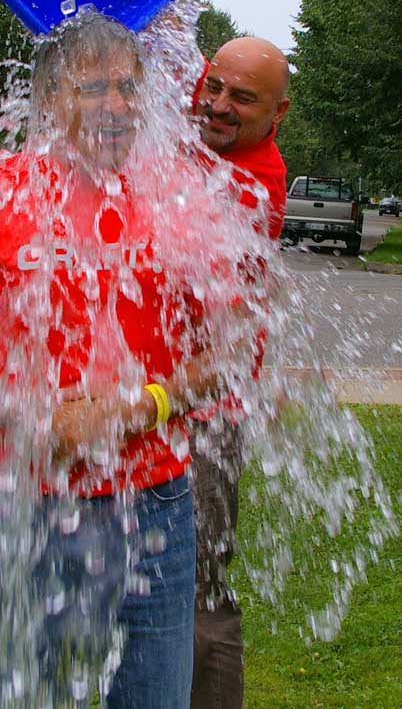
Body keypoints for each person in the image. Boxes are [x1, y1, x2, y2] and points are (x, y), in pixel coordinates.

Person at [0, 12, 266, 708]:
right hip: (15, 492)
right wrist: (31, 413)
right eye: (93, 87)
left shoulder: (182, 202)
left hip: (156, 503)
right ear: (47, 101)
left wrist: (142, 406)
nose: (116, 105)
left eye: (129, 88)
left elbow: (229, 351)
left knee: (154, 696)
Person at [189, 36, 290, 709]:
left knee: (198, 590)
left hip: (204, 410)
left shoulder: (256, 183)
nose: (219, 106)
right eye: (214, 86)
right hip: (150, 398)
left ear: (277, 113)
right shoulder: (204, 126)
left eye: (242, 99)